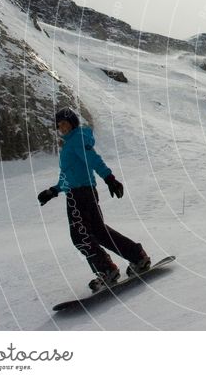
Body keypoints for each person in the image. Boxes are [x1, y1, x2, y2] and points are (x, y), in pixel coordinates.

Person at [37, 108, 151, 291]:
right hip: (82, 193)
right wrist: (53, 191)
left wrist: (109, 178)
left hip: (79, 196)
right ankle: (137, 256)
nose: (62, 128)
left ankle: (107, 270)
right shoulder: (72, 143)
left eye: (64, 123)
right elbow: (69, 174)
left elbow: (94, 160)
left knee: (80, 236)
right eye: (59, 126)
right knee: (99, 232)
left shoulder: (76, 140)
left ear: (72, 122)